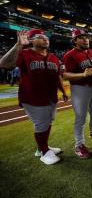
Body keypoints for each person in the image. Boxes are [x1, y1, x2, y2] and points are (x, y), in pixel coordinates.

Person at [0, 29, 68, 165]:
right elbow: (4, 64)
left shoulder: (53, 57)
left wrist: (63, 91)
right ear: (31, 40)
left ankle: (42, 148)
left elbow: (57, 76)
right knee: (41, 124)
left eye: (46, 37)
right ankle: (44, 152)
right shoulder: (25, 53)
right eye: (40, 37)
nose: (45, 39)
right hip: (32, 98)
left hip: (50, 97)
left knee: (47, 122)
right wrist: (18, 45)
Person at [63, 29, 92, 159]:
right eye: (81, 37)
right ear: (75, 40)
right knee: (81, 118)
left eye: (87, 37)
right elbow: (65, 75)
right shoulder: (70, 55)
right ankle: (79, 145)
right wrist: (82, 74)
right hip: (79, 89)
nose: (85, 39)